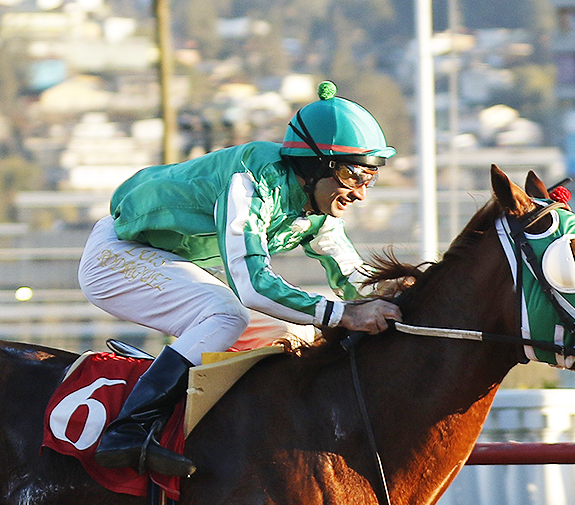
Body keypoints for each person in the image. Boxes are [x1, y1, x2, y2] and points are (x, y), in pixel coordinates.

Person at [78, 81, 404, 478]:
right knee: (227, 314)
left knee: (296, 332)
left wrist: (399, 300)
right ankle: (129, 429)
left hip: (172, 259)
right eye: (353, 175)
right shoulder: (250, 182)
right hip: (116, 255)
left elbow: (353, 277)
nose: (361, 193)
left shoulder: (317, 208)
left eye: (370, 178)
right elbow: (251, 286)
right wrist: (343, 315)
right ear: (315, 165)